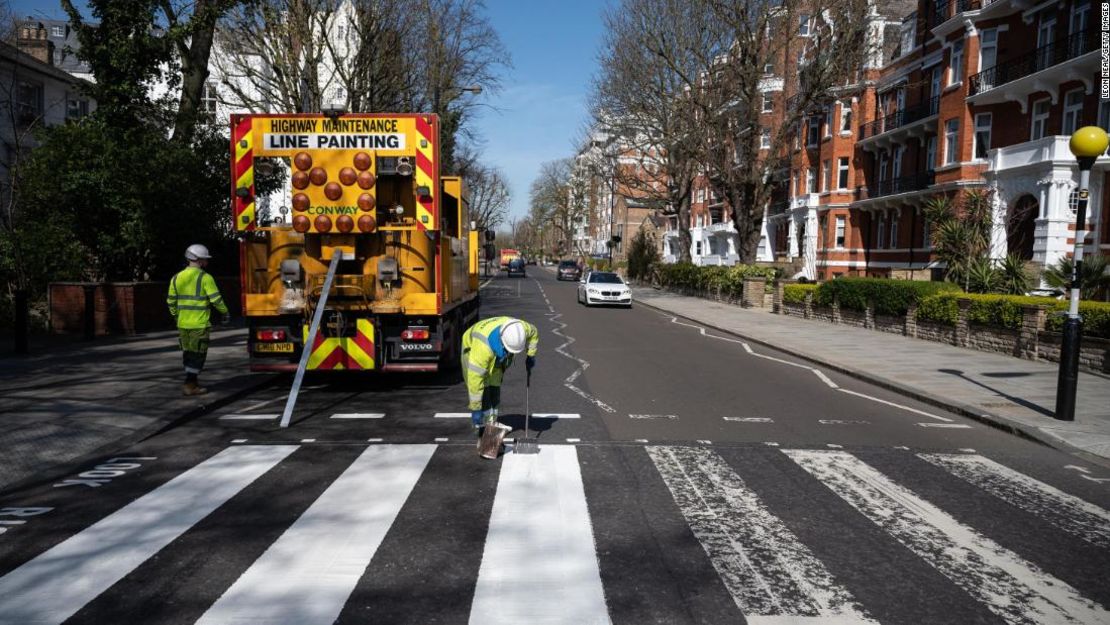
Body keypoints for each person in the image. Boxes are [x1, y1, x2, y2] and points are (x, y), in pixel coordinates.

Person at [167, 244, 230, 396]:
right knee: (198, 355)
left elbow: (170, 302)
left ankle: (192, 382)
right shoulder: (205, 278)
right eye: (205, 259)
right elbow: (216, 300)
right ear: (198, 260)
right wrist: (225, 313)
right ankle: (190, 385)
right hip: (199, 324)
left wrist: (177, 316)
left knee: (188, 354)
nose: (207, 262)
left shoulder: (176, 278)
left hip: (183, 324)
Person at [462, 316, 539, 439]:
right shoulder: (482, 349)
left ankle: (492, 422)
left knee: (495, 387)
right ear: (502, 342)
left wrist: (531, 355)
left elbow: (534, 333)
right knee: (484, 389)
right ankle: (484, 426)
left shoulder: (522, 329)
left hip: (496, 348)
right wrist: (475, 408)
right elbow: (475, 380)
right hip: (472, 347)